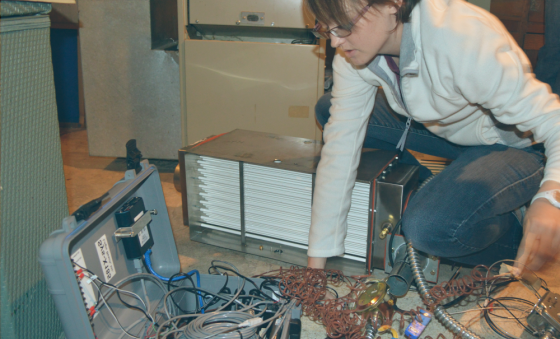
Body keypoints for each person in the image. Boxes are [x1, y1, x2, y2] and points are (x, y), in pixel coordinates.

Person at [305, 0, 560, 274]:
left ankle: (514, 226)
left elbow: (552, 120)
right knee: (329, 109)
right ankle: (444, 187)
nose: (333, 42)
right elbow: (340, 146)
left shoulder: (461, 35)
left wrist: (551, 197)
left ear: (393, 4)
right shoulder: (354, 52)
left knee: (428, 228)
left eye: (343, 26)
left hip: (510, 142)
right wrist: (316, 262)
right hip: (448, 128)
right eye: (324, 28)